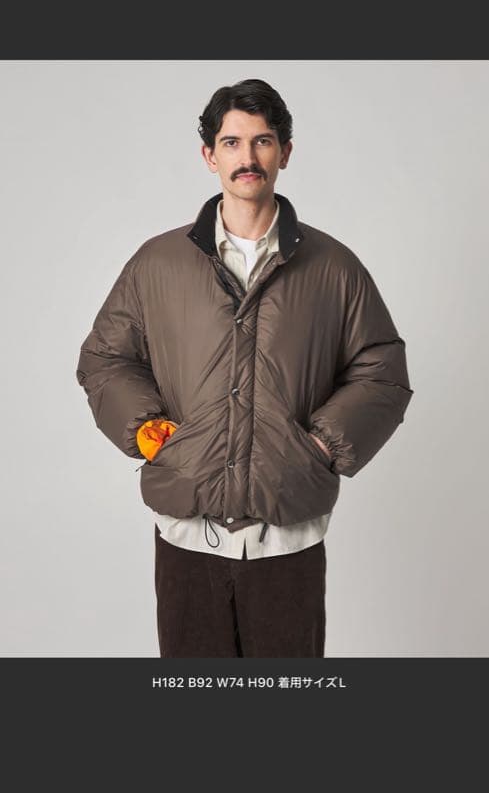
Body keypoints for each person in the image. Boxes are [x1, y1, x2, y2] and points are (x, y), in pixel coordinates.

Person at [76, 78, 413, 657]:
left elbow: (381, 370)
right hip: (187, 532)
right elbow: (106, 357)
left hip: (287, 535)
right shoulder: (159, 263)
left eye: (262, 141)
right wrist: (150, 431)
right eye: (231, 142)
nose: (247, 157)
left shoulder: (333, 268)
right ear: (210, 155)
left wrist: (319, 446)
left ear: (285, 152)